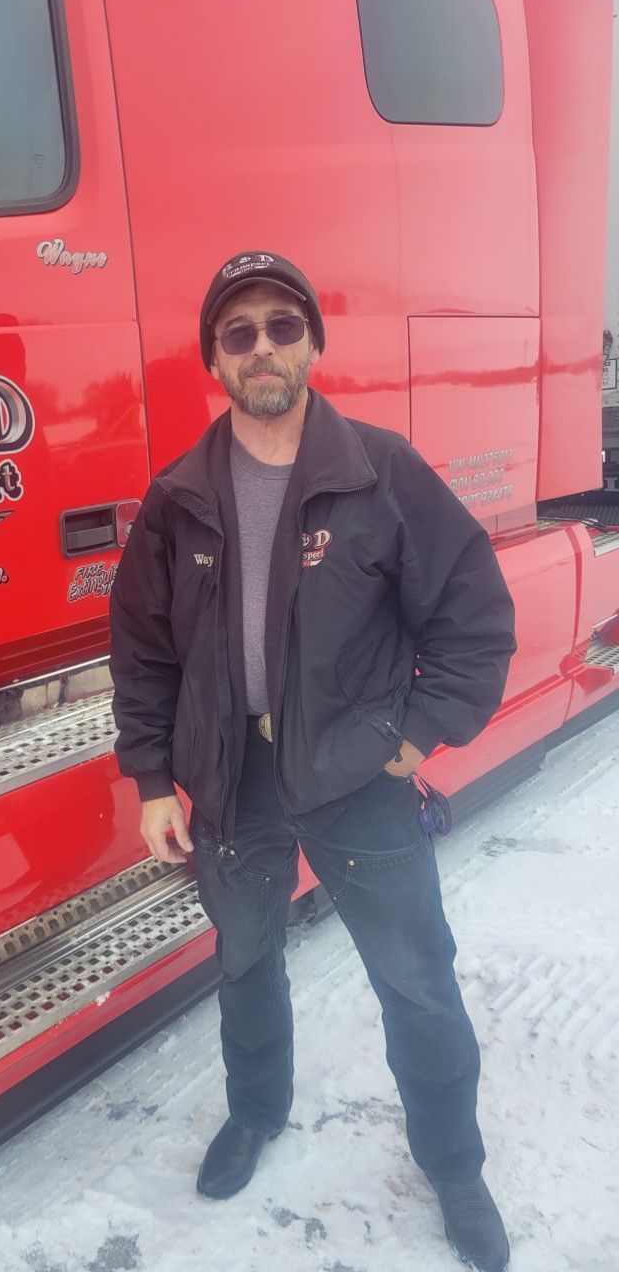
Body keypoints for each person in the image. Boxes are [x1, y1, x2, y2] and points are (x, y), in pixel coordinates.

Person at [109, 251, 517, 1272]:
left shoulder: (380, 474)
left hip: (356, 778)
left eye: (282, 326)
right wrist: (156, 776)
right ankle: (256, 1110)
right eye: (238, 332)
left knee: (417, 981)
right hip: (232, 780)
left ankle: (454, 1163)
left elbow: (475, 616)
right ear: (215, 358)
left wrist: (416, 732)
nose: (263, 348)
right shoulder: (177, 498)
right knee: (245, 962)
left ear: (313, 343)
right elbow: (144, 648)